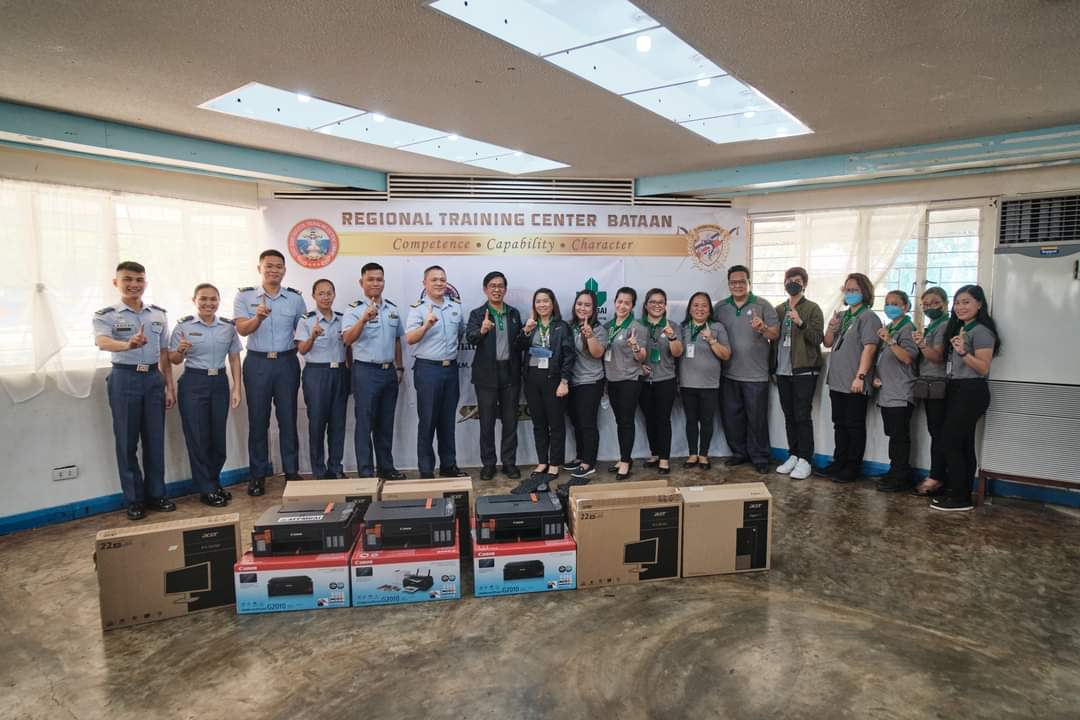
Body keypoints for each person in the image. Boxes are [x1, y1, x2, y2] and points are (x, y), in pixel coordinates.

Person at [93, 261, 176, 521]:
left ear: (145, 283)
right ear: (116, 283)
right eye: (127, 279)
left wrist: (169, 386)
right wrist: (127, 344)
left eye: (139, 280)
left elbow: (164, 353)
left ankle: (157, 495)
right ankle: (134, 500)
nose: (134, 285)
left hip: (153, 378)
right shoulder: (107, 315)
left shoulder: (158, 315)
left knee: (155, 440)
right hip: (124, 378)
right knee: (127, 442)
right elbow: (102, 341)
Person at [234, 249, 307, 496]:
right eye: (269, 266)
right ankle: (257, 476)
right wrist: (258, 318)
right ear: (260, 268)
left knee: (288, 418)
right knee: (258, 421)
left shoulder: (295, 298)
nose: (274, 270)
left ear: (284, 270)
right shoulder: (245, 296)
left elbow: (302, 332)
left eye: (278, 266)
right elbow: (242, 330)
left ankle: (291, 472)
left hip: (286, 362)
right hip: (258, 364)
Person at [168, 283, 242, 507]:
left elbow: (234, 358)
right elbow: (174, 360)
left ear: (218, 301)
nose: (208, 303)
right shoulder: (184, 326)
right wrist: (180, 350)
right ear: (195, 301)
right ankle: (207, 489)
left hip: (219, 382)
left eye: (213, 299)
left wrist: (236, 388)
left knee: (218, 438)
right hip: (194, 382)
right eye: (203, 299)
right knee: (198, 438)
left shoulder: (227, 327)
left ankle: (214, 482)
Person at [930, 285, 1000, 512]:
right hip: (956, 388)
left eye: (966, 302)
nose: (960, 307)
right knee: (963, 442)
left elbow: (983, 368)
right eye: (957, 302)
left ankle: (959, 497)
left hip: (971, 390)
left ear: (979, 304)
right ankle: (961, 494)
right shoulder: (960, 328)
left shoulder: (981, 331)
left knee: (950, 441)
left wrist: (963, 352)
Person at [342, 262, 406, 480]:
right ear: (362, 282)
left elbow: (397, 340)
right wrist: (363, 319)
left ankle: (386, 468)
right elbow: (347, 339)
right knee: (365, 424)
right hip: (365, 372)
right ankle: (366, 471)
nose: (375, 283)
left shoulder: (392, 309)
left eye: (379, 279)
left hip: (388, 372)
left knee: (385, 423)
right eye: (371, 279)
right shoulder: (353, 309)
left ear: (384, 282)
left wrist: (399, 367)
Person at [714, 265, 780, 474]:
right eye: (733, 282)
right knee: (732, 417)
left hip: (756, 374)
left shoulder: (763, 305)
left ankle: (760, 456)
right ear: (728, 284)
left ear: (749, 283)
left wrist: (763, 328)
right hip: (728, 373)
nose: (738, 285)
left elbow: (775, 334)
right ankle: (739, 453)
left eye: (742, 281)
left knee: (757, 419)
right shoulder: (720, 307)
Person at [406, 265, 469, 478]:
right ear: (425, 283)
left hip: (450, 369)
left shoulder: (455, 307)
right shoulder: (418, 309)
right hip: (428, 370)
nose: (439, 283)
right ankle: (426, 469)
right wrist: (426, 326)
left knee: (447, 421)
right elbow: (410, 339)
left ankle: (448, 465)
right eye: (434, 280)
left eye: (442, 279)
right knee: (428, 420)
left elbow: (459, 333)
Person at [820, 273, 882, 484]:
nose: (850, 293)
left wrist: (860, 376)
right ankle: (839, 461)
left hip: (855, 381)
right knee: (839, 424)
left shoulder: (869, 317)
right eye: (847, 290)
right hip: (837, 380)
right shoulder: (844, 316)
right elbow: (828, 343)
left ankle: (852, 467)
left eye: (855, 290)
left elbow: (870, 348)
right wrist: (831, 326)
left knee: (854, 425)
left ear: (865, 292)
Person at [514, 288, 575, 493]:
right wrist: (526, 331)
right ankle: (542, 462)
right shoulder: (531, 324)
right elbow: (518, 347)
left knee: (555, 424)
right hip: (532, 379)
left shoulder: (561, 327)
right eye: (538, 301)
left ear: (552, 303)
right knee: (539, 423)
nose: (542, 305)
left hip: (554, 379)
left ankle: (555, 463)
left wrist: (564, 381)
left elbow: (568, 355)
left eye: (545, 301)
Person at [465, 271, 522, 482]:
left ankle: (509, 463)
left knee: (510, 421)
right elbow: (470, 338)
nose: (496, 289)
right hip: (486, 375)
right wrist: (482, 330)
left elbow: (520, 344)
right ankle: (488, 464)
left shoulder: (514, 313)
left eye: (500, 286)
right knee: (487, 422)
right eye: (492, 286)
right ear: (485, 289)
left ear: (505, 289)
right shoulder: (478, 313)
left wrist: (526, 333)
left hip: (510, 373)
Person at [772, 267, 824, 481]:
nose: (792, 283)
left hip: (804, 370)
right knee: (789, 415)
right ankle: (793, 454)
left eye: (797, 280)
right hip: (782, 370)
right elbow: (773, 340)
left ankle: (805, 459)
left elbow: (818, 338)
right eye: (789, 280)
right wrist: (772, 368)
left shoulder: (812, 308)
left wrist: (801, 323)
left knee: (802, 415)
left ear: (804, 284)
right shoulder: (779, 309)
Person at [296, 279, 348, 480]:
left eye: (329, 293)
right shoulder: (306, 320)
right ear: (314, 296)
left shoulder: (343, 319)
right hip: (316, 374)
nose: (326, 297)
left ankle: (335, 467)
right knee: (317, 423)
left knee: (338, 423)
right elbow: (302, 350)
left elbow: (349, 347)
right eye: (321, 293)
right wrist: (313, 336)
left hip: (339, 373)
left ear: (334, 295)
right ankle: (318, 470)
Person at [871, 290, 920, 492]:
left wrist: (890, 340)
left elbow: (908, 357)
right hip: (888, 391)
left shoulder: (907, 328)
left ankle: (901, 477)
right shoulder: (891, 327)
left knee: (899, 437)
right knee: (893, 435)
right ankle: (895, 471)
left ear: (905, 307)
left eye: (895, 303)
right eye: (887, 303)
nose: (890, 307)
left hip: (901, 392)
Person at [562, 289, 608, 489]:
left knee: (588, 423)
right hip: (570, 382)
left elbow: (598, 353)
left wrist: (589, 336)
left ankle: (589, 463)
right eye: (579, 304)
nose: (582, 308)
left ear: (594, 309)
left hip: (590, 382)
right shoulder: (569, 326)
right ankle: (580, 456)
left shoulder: (598, 329)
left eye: (587, 305)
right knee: (576, 422)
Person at [679, 291, 730, 471]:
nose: (699, 309)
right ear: (690, 309)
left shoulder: (717, 327)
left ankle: (704, 455)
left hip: (710, 384)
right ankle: (692, 454)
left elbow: (726, 355)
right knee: (691, 421)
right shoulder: (683, 328)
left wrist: (712, 340)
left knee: (707, 421)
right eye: (696, 305)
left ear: (709, 310)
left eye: (704, 305)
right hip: (687, 383)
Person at [638, 288, 683, 474]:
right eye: (653, 302)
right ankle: (655, 453)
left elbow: (678, 352)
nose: (657, 305)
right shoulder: (638, 325)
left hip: (666, 379)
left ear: (665, 306)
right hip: (643, 380)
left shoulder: (672, 326)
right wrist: (639, 367)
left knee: (663, 419)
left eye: (660, 302)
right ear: (646, 305)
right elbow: (630, 352)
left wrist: (672, 336)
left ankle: (664, 458)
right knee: (649, 419)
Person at [604, 287, 647, 480]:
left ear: (632, 306)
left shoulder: (637, 328)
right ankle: (624, 457)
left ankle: (625, 460)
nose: (622, 306)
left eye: (627, 303)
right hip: (612, 379)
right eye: (619, 301)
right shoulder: (608, 326)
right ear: (615, 302)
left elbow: (641, 357)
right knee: (620, 421)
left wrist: (635, 346)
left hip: (630, 379)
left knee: (626, 421)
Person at [911, 287, 950, 497]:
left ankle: (937, 477)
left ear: (945, 303)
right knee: (935, 431)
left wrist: (921, 344)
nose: (929, 307)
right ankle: (937, 475)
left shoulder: (944, 325)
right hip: (928, 383)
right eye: (925, 304)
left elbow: (937, 357)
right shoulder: (932, 325)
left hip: (938, 383)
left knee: (939, 433)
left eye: (935, 303)